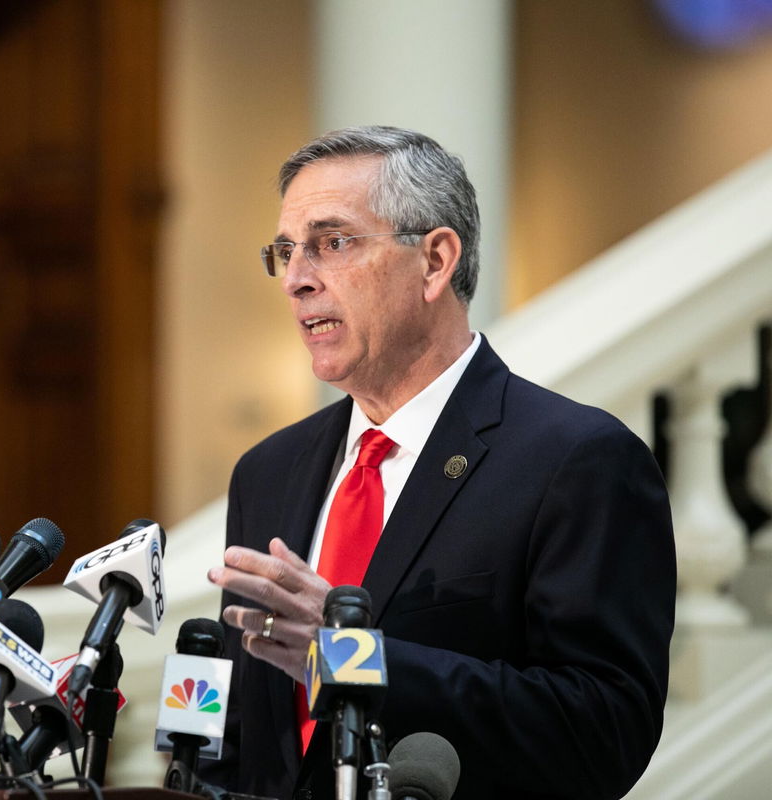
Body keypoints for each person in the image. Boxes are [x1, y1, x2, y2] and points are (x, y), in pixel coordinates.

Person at [202, 126, 675, 800]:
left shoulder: (577, 459)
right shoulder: (267, 471)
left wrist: (354, 661)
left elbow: (603, 729)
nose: (298, 280)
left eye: (332, 243)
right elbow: (240, 732)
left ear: (434, 262)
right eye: (285, 251)